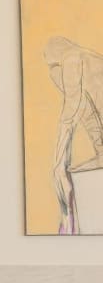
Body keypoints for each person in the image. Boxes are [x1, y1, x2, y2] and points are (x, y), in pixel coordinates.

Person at [45, 35, 103, 234]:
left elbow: (71, 111)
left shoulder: (72, 57)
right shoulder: (86, 65)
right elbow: (90, 119)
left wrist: (58, 164)